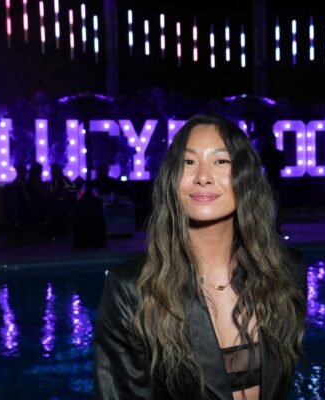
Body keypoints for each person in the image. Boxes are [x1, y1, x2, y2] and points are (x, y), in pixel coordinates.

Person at [93, 115, 306, 400]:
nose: (203, 176)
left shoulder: (288, 273)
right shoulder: (130, 289)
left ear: (245, 177)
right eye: (189, 162)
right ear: (173, 179)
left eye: (221, 161)